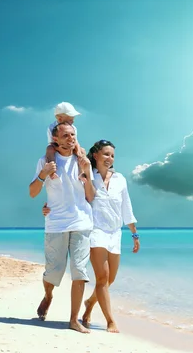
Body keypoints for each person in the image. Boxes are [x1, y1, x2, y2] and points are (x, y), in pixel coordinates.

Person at [43, 139, 140, 333]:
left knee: (110, 279)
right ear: (95, 155)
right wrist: (48, 207)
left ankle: (89, 304)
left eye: (112, 155)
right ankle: (110, 321)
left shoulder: (120, 179)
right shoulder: (86, 174)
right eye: (105, 154)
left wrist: (134, 234)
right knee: (102, 278)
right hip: (94, 230)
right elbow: (68, 195)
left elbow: (126, 207)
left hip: (115, 233)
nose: (109, 158)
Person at [30, 122, 96, 334]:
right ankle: (48, 296)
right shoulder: (45, 161)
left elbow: (91, 197)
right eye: (66, 135)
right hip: (56, 224)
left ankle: (73, 320)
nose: (71, 138)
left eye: (73, 134)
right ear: (55, 139)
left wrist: (86, 172)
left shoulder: (82, 161)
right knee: (54, 272)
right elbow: (32, 193)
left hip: (82, 222)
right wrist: (43, 174)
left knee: (79, 270)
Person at [45, 102, 86, 179]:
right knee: (49, 149)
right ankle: (52, 171)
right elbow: (52, 142)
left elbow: (75, 141)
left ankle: (81, 172)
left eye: (73, 119)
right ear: (60, 119)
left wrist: (78, 151)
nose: (73, 121)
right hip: (56, 146)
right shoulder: (52, 127)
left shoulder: (73, 128)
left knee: (82, 151)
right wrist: (60, 148)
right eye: (70, 120)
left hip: (70, 146)